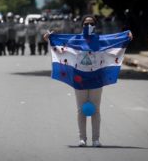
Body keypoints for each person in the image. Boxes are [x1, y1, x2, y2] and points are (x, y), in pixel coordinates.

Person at [44, 14, 133, 147]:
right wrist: (49, 39)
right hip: (79, 78)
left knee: (96, 110)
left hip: (97, 78)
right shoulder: (76, 40)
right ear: (82, 25)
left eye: (91, 23)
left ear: (95, 25)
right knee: (81, 110)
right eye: (86, 24)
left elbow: (115, 44)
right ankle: (82, 139)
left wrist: (127, 38)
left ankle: (96, 139)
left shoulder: (100, 40)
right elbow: (61, 47)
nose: (88, 26)